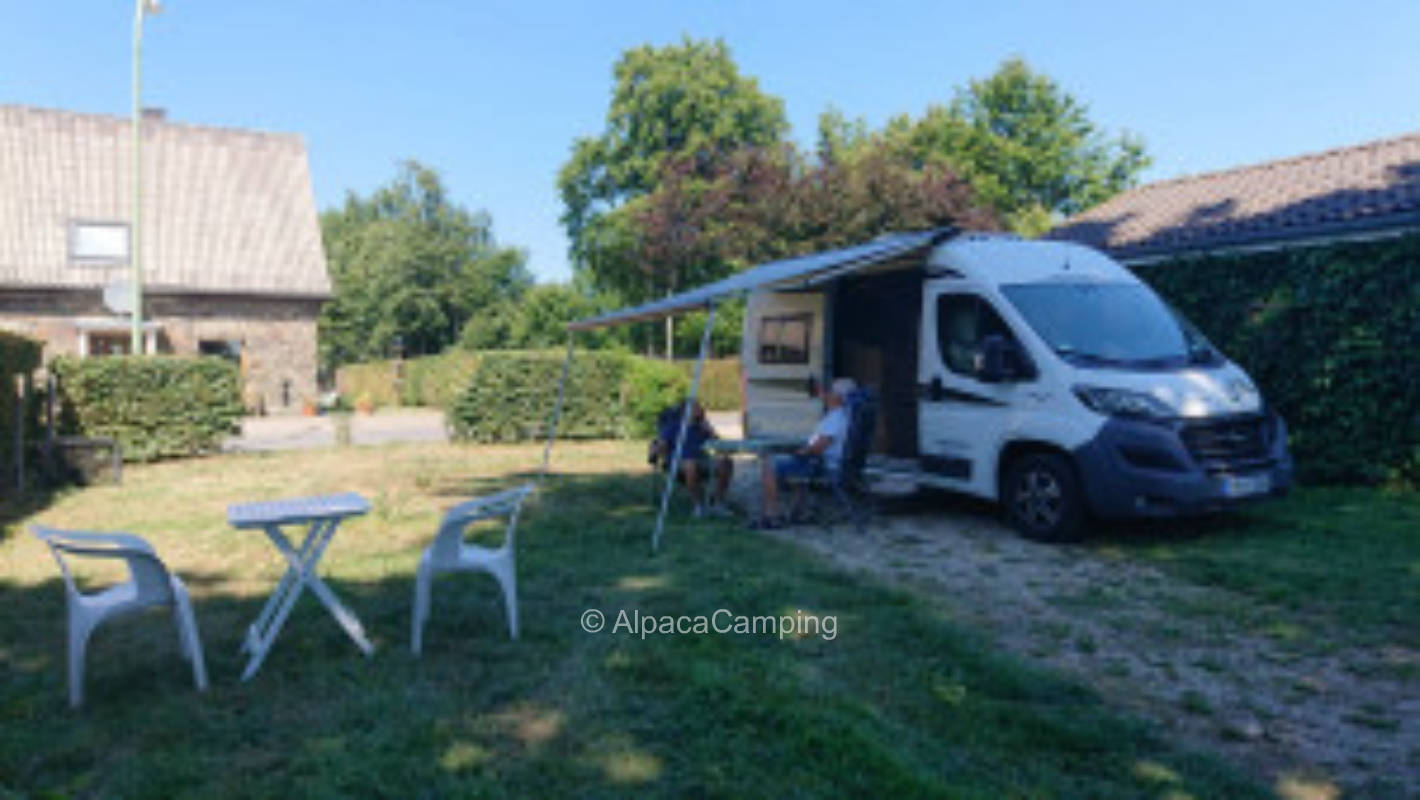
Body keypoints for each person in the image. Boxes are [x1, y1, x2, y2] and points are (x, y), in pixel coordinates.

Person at [752, 377, 856, 529]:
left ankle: (770, 516)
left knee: (770, 464)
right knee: (792, 463)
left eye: (830, 391)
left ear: (838, 397)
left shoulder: (836, 418)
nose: (826, 393)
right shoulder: (840, 415)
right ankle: (798, 512)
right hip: (824, 462)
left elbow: (818, 448)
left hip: (823, 465)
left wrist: (801, 452)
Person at [655, 400, 734, 517]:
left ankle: (717, 502)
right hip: (679, 461)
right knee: (690, 465)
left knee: (726, 462)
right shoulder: (673, 427)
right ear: (685, 412)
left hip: (700, 459)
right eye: (696, 408)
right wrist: (659, 451)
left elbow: (719, 447)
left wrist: (711, 432)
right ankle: (698, 505)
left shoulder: (700, 427)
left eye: (699, 407)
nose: (700, 410)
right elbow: (662, 445)